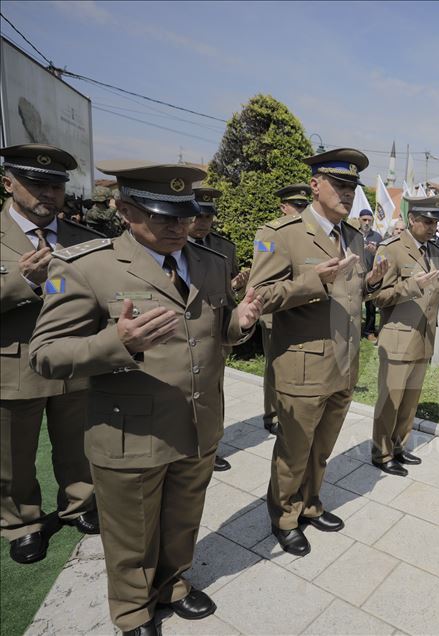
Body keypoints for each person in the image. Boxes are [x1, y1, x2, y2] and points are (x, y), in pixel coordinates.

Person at [30, 161, 262, 636]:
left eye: (185, 213)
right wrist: (120, 344)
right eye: (163, 216)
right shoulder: (84, 267)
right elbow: (45, 354)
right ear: (124, 209)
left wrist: (242, 323)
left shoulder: (210, 262)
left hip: (196, 421)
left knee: (182, 518)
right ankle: (133, 611)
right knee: (132, 531)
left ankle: (173, 584)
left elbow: (217, 335)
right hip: (129, 431)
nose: (180, 226)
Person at [247, 148, 388, 558]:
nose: (347, 195)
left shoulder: (355, 238)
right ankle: (285, 517)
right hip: (302, 365)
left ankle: (310, 504)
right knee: (293, 451)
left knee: (321, 448)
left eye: (352, 188)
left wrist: (372, 283)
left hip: (343, 365)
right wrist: (312, 281)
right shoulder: (282, 233)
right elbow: (260, 297)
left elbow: (351, 296)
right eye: (339, 185)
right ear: (315, 185)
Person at [0, 144, 102, 565]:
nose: (49, 194)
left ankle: (78, 503)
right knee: (13, 457)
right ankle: (21, 523)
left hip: (75, 362)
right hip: (14, 365)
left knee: (78, 445)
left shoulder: (86, 239)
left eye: (56, 186)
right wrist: (26, 280)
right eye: (37, 184)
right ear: (8, 184)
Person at [370, 195, 439, 476]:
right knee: (391, 400)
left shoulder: (433, 249)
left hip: (423, 337)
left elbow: (432, 293)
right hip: (399, 339)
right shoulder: (392, 249)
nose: (433, 226)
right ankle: (381, 452)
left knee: (410, 400)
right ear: (412, 220)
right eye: (427, 221)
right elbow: (378, 296)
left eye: (436, 221)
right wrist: (411, 286)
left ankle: (398, 446)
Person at [188, 185, 249, 472]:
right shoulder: (170, 245)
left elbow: (228, 294)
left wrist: (236, 286)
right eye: (198, 216)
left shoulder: (225, 248)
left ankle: (210, 448)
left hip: (214, 334)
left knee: (213, 395)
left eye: (208, 216)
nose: (203, 222)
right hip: (179, 335)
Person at [259, 183, 311, 435]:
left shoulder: (309, 235)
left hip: (300, 314)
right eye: (297, 206)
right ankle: (272, 413)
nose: (302, 210)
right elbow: (265, 282)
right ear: (283, 207)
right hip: (274, 314)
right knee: (274, 364)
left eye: (305, 206)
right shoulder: (271, 234)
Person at [358, 208, 384, 342]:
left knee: (371, 305)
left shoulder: (377, 237)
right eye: (364, 220)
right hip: (355, 275)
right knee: (353, 304)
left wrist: (375, 253)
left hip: (371, 276)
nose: (367, 222)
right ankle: (353, 330)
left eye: (369, 220)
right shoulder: (352, 234)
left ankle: (369, 331)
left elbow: (382, 258)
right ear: (359, 220)